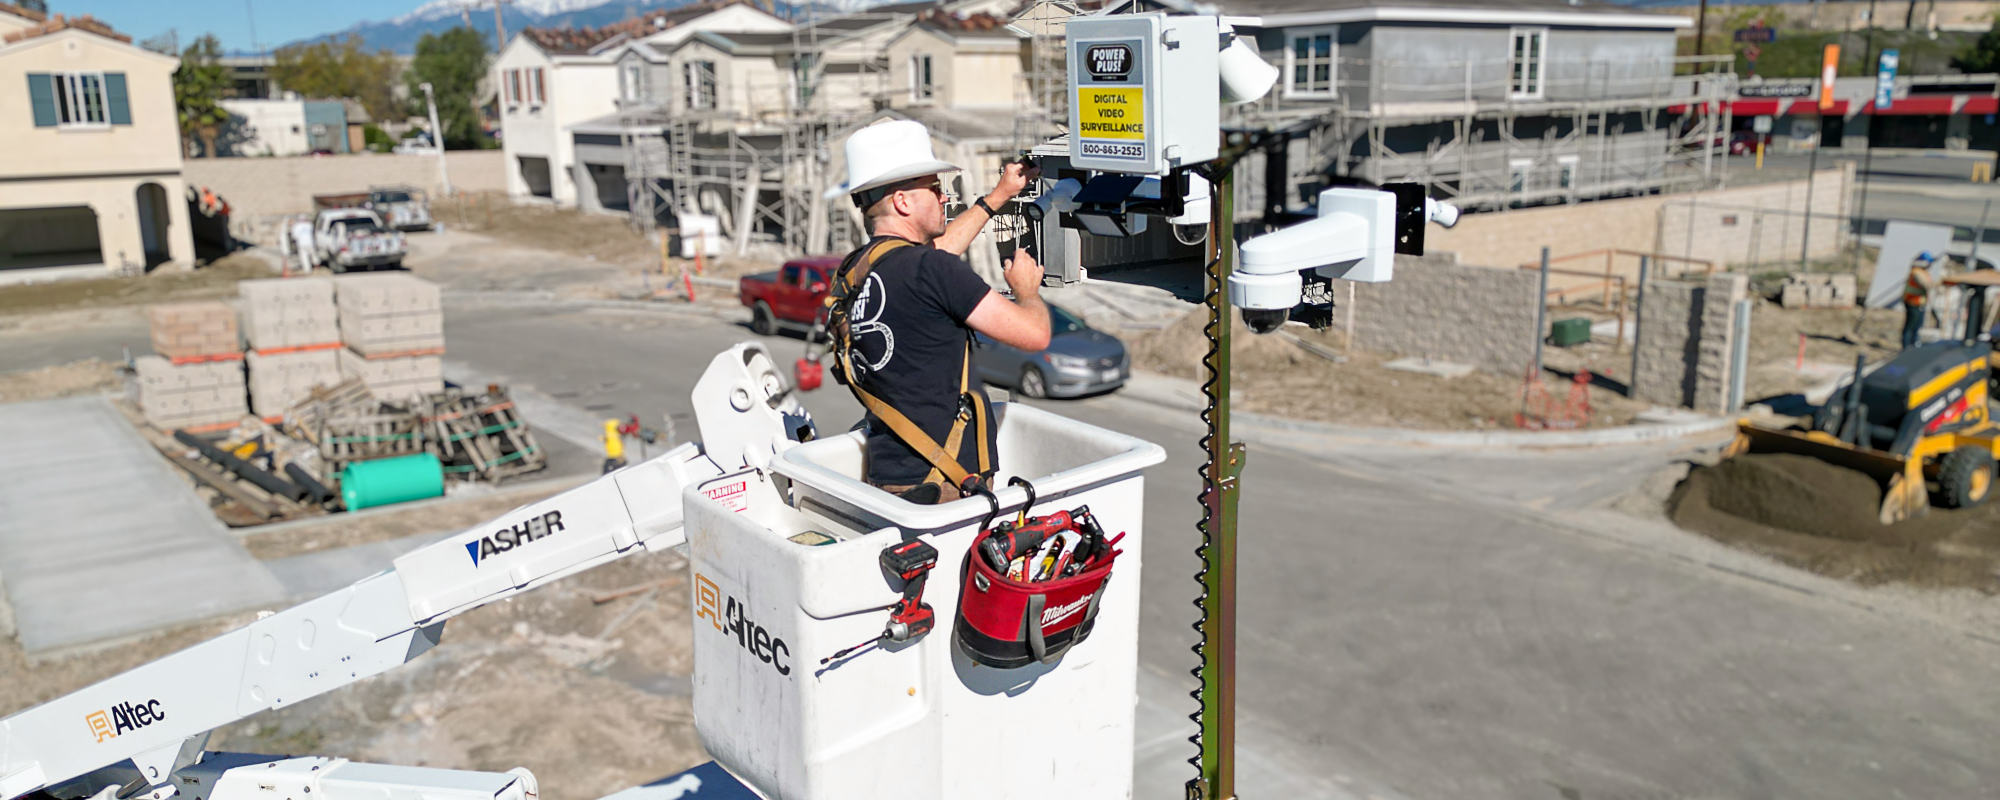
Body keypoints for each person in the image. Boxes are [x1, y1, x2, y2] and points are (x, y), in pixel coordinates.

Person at [825, 120, 1051, 504]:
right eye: (934, 188)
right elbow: (1034, 335)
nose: (944, 197)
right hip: (945, 482)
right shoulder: (932, 271)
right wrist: (1027, 293)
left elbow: (938, 251)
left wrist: (999, 195)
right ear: (903, 201)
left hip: (890, 474)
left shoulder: (854, 271)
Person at [1903, 251, 1941, 349]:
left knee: (1917, 327)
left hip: (1920, 303)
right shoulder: (1916, 273)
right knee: (1911, 327)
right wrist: (1940, 282)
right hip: (1913, 302)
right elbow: (1926, 285)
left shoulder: (1924, 272)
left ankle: (1913, 345)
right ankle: (1906, 347)